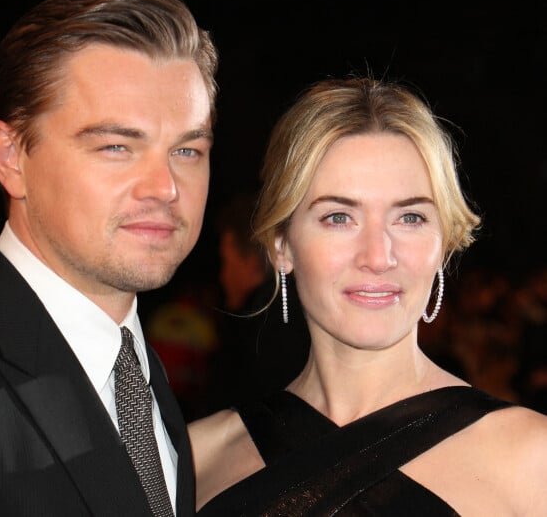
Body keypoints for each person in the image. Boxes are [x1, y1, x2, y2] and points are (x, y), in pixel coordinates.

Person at [188, 77, 547, 515]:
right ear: (281, 245)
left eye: (410, 217)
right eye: (339, 217)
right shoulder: (194, 459)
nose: (378, 257)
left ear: (444, 243)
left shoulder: (532, 459)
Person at [0, 0, 218, 516]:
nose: (165, 187)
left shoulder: (140, 373)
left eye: (186, 150)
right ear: (11, 157)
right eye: (116, 147)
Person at [206, 191, 309, 414]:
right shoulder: (299, 317)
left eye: (226, 262)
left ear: (251, 263)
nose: (223, 276)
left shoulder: (254, 334)